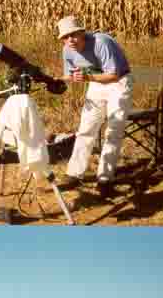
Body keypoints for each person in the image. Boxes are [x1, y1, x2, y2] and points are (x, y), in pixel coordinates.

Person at [57, 16, 133, 197]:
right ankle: (74, 174)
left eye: (74, 35)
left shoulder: (101, 42)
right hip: (95, 82)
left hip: (119, 82)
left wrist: (87, 77)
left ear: (82, 32)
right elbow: (70, 75)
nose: (70, 40)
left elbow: (113, 75)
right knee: (86, 129)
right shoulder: (67, 50)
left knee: (113, 132)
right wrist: (54, 80)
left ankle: (104, 179)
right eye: (66, 37)